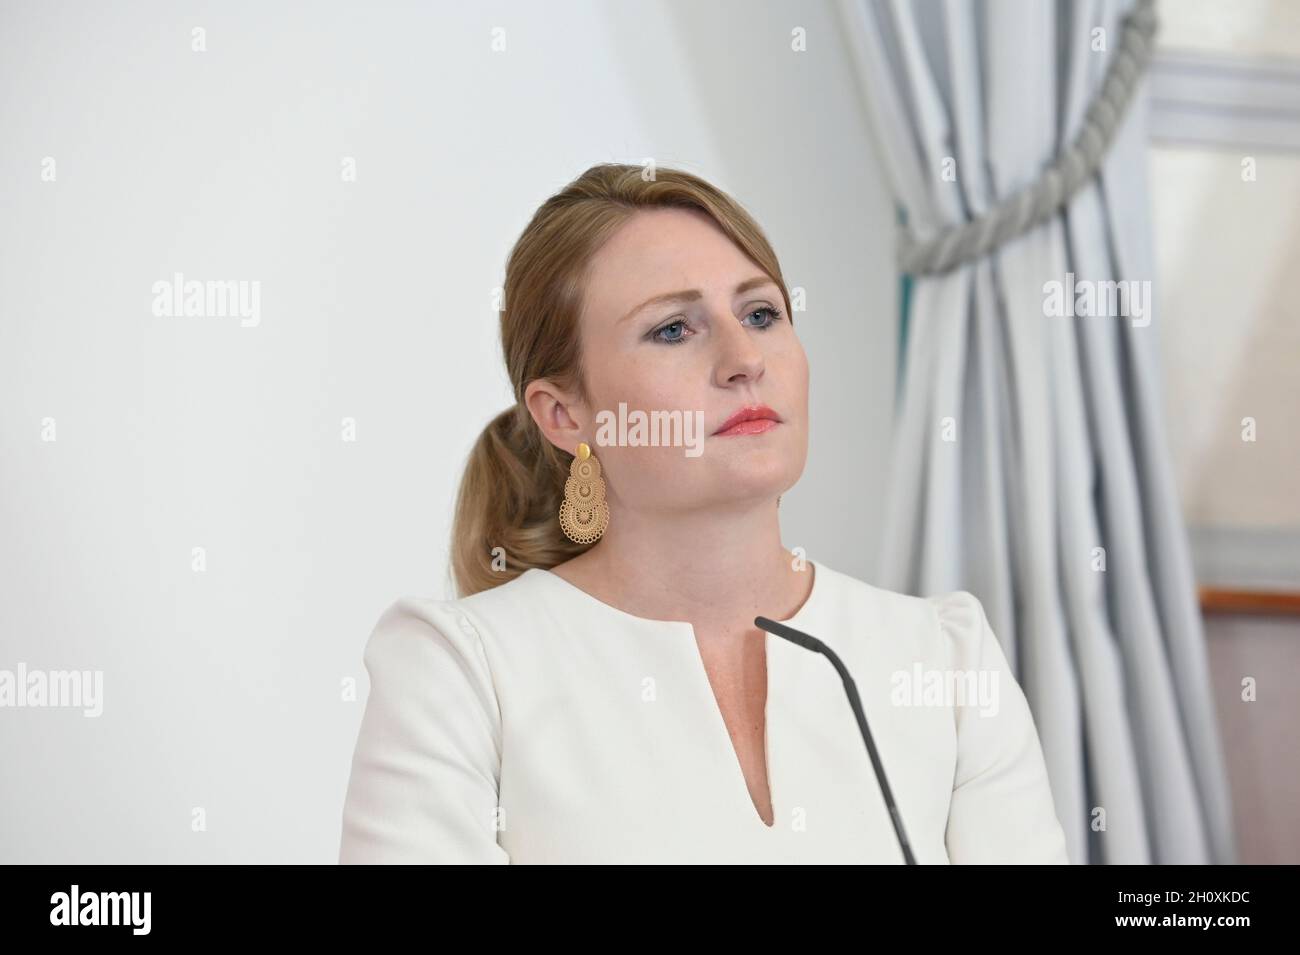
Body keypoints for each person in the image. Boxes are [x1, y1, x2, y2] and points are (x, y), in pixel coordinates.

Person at [338, 163, 1070, 863]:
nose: (743, 357)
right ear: (564, 413)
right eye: (673, 329)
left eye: (761, 313)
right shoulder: (462, 673)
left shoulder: (946, 659)